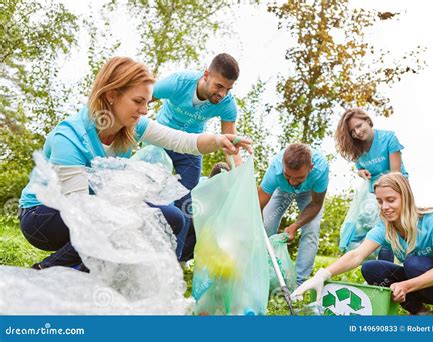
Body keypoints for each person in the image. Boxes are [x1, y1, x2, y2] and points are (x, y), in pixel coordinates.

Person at [18, 56, 251, 271]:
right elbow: (82, 213)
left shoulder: (133, 125)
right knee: (123, 218)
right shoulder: (70, 138)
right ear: (112, 95)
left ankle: (88, 274)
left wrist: (219, 141)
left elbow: (182, 140)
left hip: (90, 211)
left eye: (148, 102)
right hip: (43, 216)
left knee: (172, 217)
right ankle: (45, 271)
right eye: (138, 101)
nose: (145, 110)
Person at [292, 172, 433, 315]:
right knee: (371, 269)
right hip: (427, 288)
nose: (384, 206)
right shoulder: (385, 227)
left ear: (406, 198)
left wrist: (406, 286)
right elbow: (357, 255)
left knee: (414, 263)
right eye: (380, 201)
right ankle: (421, 312)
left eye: (391, 200)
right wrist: (323, 274)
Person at [151, 53, 242, 260]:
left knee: (186, 206)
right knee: (155, 195)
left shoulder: (227, 103)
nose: (222, 94)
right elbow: (141, 98)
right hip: (160, 141)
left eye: (228, 89)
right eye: (219, 86)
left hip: (191, 148)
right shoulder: (178, 82)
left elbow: (231, 142)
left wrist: (242, 178)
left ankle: (173, 263)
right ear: (206, 75)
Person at [335, 107, 409, 262]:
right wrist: (361, 172)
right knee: (362, 227)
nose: (357, 132)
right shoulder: (356, 147)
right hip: (371, 191)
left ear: (368, 121)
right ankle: (371, 268)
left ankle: (386, 271)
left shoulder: (389, 138)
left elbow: (397, 175)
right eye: (353, 131)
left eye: (359, 126)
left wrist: (384, 202)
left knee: (386, 227)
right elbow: (360, 168)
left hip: (395, 188)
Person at [258, 143, 329, 285]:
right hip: (282, 190)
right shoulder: (275, 170)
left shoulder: (321, 170)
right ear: (283, 166)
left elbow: (316, 204)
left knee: (311, 229)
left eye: (299, 178)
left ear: (311, 168)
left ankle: (299, 284)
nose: (292, 181)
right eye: (288, 175)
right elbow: (257, 205)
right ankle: (262, 276)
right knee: (266, 225)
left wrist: (295, 226)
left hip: (309, 192)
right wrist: (260, 229)